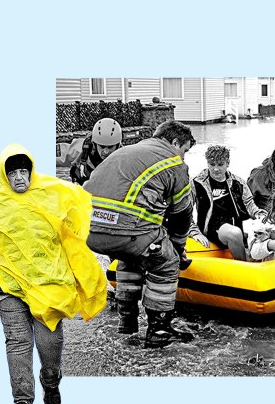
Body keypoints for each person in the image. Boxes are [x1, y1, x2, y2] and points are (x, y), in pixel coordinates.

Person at [0, 144, 107, 404]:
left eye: (23, 172)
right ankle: (22, 399)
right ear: (5, 176)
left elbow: (77, 218)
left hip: (48, 281)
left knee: (48, 340)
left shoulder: (52, 196)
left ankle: (50, 380)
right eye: (12, 172)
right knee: (17, 341)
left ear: (31, 173)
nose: (18, 178)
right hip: (6, 282)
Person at [84, 120, 196, 348]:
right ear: (175, 142)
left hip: (89, 228)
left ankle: (127, 323)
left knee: (131, 256)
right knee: (165, 261)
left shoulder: (128, 151)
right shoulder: (174, 164)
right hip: (126, 229)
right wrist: (177, 247)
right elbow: (182, 214)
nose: (184, 157)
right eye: (185, 150)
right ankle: (159, 330)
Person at [188, 145, 266, 261]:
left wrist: (260, 214)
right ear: (207, 163)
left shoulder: (238, 182)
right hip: (213, 229)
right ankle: (245, 268)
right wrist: (194, 232)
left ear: (227, 163)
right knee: (234, 234)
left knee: (265, 230)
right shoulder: (197, 183)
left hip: (239, 226)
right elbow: (184, 211)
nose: (215, 169)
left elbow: (250, 204)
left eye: (220, 165)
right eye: (212, 164)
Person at [68, 118, 123, 185]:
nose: (105, 152)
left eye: (110, 147)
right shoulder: (86, 150)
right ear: (95, 144)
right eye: (102, 146)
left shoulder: (123, 157)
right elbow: (74, 169)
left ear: (117, 146)